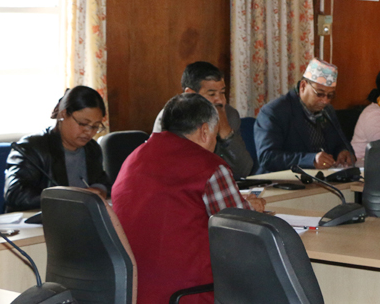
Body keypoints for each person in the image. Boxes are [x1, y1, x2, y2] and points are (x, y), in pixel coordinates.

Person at [112, 93, 265, 304]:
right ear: (204, 131)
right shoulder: (208, 166)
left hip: (129, 291)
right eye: (214, 136)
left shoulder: (132, 159)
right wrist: (251, 210)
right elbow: (241, 235)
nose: (215, 143)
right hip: (189, 294)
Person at [4, 86, 110, 212]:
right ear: (63, 114)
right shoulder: (30, 148)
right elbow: (16, 194)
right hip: (38, 224)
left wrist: (99, 190)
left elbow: (103, 181)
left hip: (81, 220)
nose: (89, 131)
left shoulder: (92, 149)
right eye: (83, 123)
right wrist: (73, 196)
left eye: (95, 126)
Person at [255, 58, 355, 174]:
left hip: (322, 178)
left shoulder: (328, 111)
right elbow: (267, 157)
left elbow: (339, 142)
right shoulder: (274, 112)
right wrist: (310, 160)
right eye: (320, 94)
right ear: (303, 86)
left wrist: (342, 151)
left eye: (330, 95)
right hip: (281, 182)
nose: (325, 101)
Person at [154, 61, 253, 177]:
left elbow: (244, 171)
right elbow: (164, 168)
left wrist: (227, 136)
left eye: (222, 93)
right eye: (211, 94)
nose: (220, 100)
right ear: (189, 94)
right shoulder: (170, 117)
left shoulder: (229, 114)